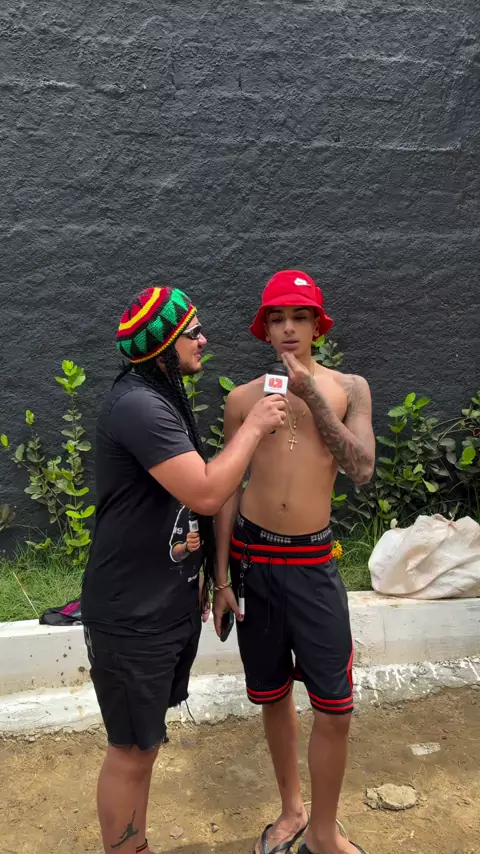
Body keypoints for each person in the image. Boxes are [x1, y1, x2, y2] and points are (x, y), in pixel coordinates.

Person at [81, 284, 287, 854]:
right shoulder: (139, 406)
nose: (204, 339)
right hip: (131, 615)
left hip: (163, 607)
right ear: (164, 344)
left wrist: (213, 581)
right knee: (129, 750)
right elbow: (206, 490)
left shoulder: (160, 397)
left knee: (144, 744)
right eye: (192, 331)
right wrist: (253, 427)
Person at [213, 270, 375, 854]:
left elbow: (361, 468)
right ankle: (292, 810)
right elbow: (226, 488)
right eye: (277, 318)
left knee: (336, 708)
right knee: (272, 694)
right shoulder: (242, 399)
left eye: (299, 317)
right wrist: (220, 578)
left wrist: (310, 395)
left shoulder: (350, 388)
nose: (288, 327)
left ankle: (324, 835)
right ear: (264, 329)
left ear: (316, 326)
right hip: (252, 561)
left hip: (312, 564)